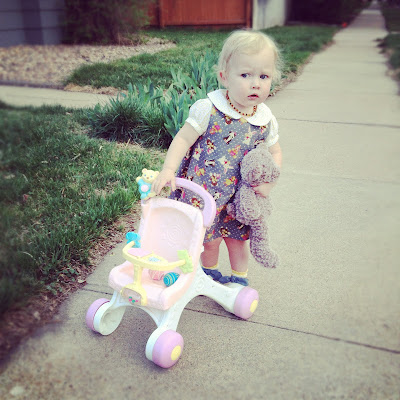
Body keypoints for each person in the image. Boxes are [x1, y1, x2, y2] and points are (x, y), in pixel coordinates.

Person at [152, 29, 283, 286]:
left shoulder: (265, 119)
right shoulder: (209, 109)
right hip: (205, 191)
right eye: (245, 75)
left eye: (263, 76)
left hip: (239, 198)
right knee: (208, 240)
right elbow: (183, 139)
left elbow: (275, 152)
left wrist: (269, 183)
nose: (255, 83)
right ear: (224, 77)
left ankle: (238, 280)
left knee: (237, 240)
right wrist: (168, 169)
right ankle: (208, 274)